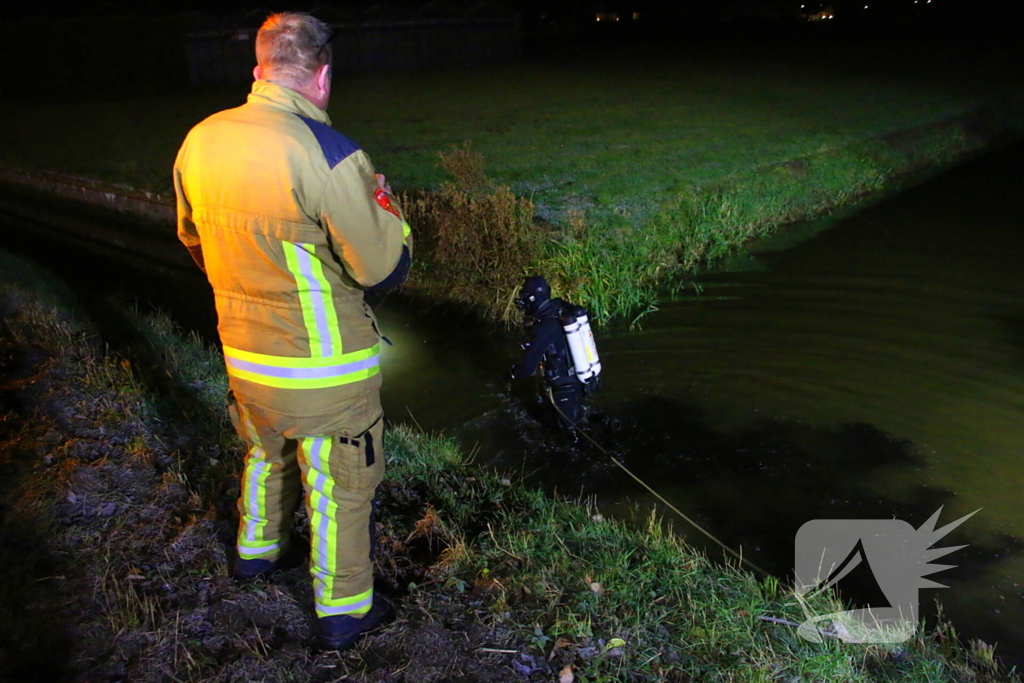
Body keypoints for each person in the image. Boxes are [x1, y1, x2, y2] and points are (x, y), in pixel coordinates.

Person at [173, 12, 411, 651]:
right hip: (326, 366)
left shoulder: (200, 140)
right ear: (324, 77)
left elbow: (193, 240)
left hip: (245, 355)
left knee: (264, 448)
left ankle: (255, 553)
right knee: (340, 485)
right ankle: (343, 612)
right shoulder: (331, 156)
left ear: (258, 71)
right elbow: (382, 269)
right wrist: (389, 210)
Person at [512, 276, 599, 432]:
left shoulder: (544, 328)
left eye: (524, 297)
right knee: (580, 423)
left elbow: (528, 369)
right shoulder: (562, 308)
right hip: (580, 381)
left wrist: (514, 372)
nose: (522, 302)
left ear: (533, 298)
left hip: (564, 389)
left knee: (572, 436)